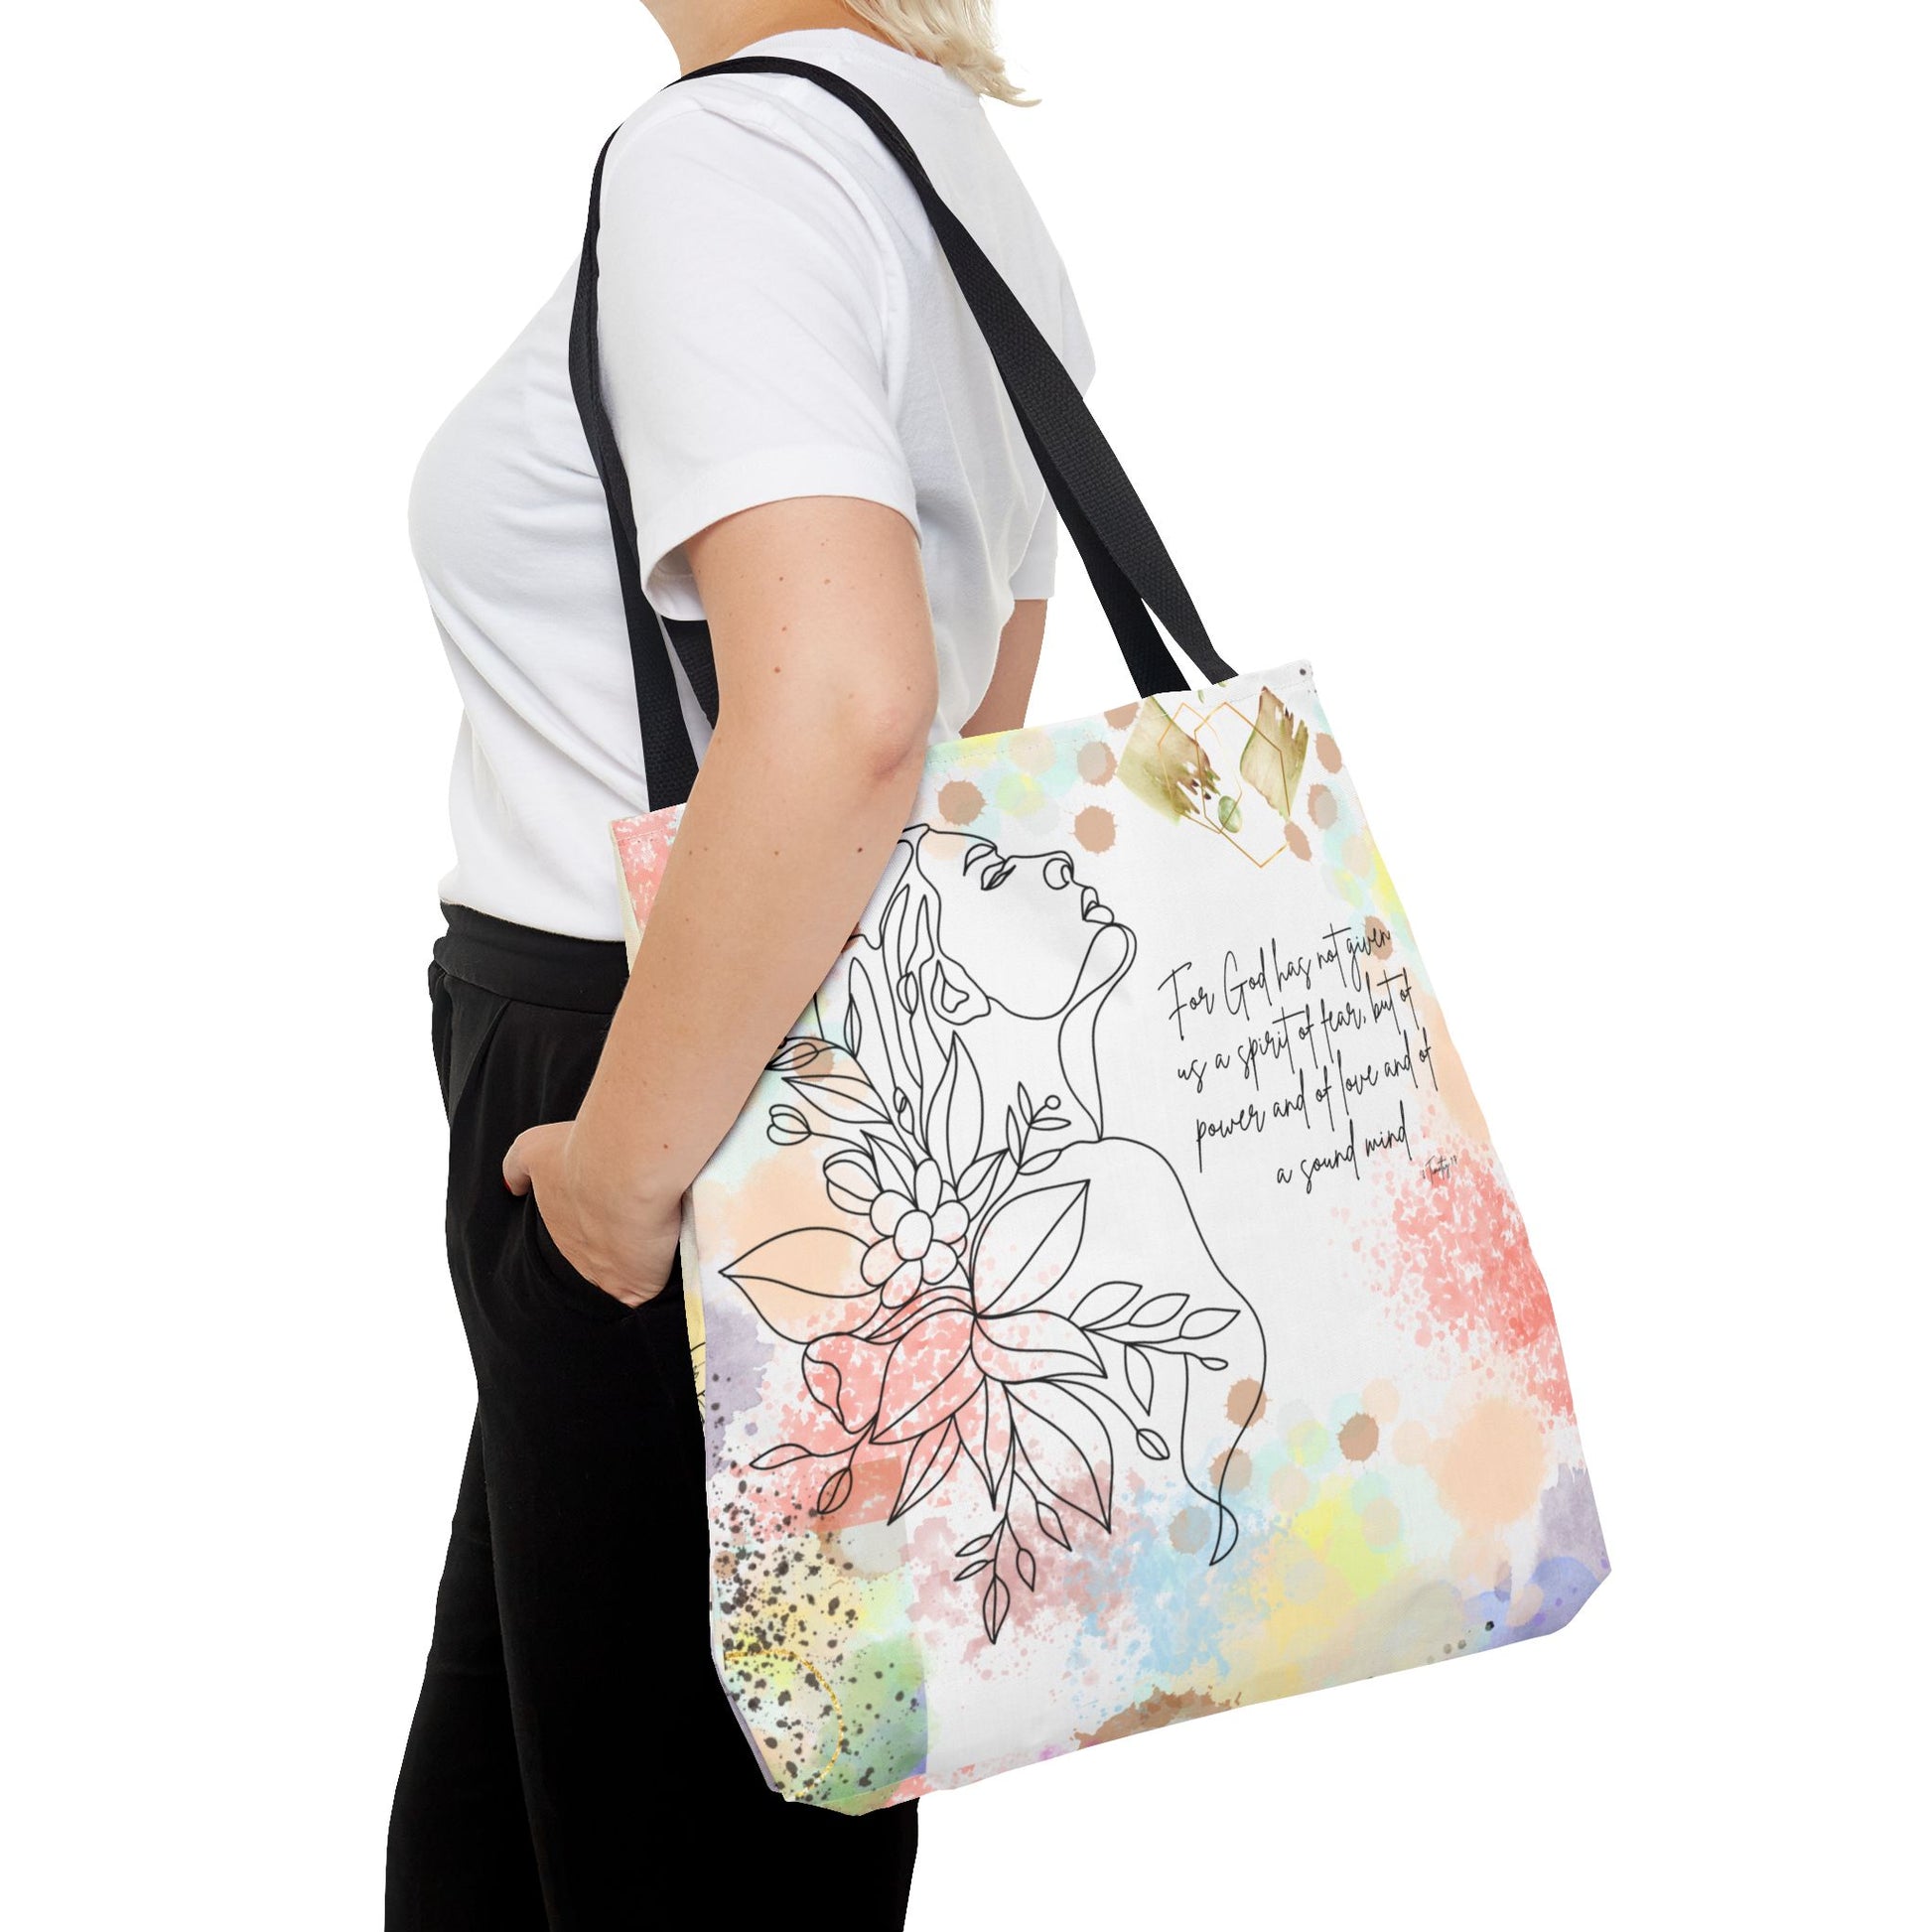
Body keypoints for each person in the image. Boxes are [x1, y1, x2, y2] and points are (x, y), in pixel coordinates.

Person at [387, 4, 1091, 1925]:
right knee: (545, 1838)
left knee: (665, 1861)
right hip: (794, 1058)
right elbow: (980, 708)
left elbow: (856, 706)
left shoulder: (729, 159)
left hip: (652, 1090)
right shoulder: (933, 148)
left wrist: (620, 1183)